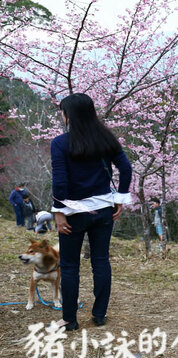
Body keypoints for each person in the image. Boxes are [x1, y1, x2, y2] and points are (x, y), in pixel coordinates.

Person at [51, 93, 132, 331]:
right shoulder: (107, 139)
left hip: (74, 212)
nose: (62, 116)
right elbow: (126, 169)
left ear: (70, 115)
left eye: (63, 111)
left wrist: (59, 212)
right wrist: (119, 199)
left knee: (69, 265)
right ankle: (99, 315)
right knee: (100, 261)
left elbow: (60, 183)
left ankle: (69, 319)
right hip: (103, 211)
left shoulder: (60, 143)